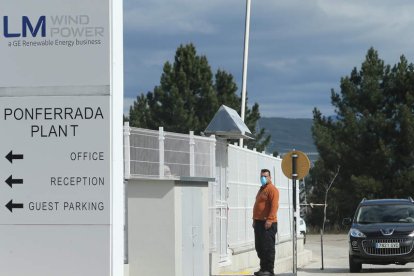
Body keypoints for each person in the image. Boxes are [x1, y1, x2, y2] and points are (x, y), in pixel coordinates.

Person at [252, 169, 279, 276]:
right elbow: (257, 206)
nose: (263, 178)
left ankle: (269, 270)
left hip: (268, 223)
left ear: (270, 177)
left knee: (268, 247)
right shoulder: (261, 189)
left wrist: (270, 219)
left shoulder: (272, 189)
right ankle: (263, 269)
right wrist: (254, 220)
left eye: (265, 176)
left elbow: (274, 206)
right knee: (260, 247)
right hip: (258, 223)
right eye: (262, 176)